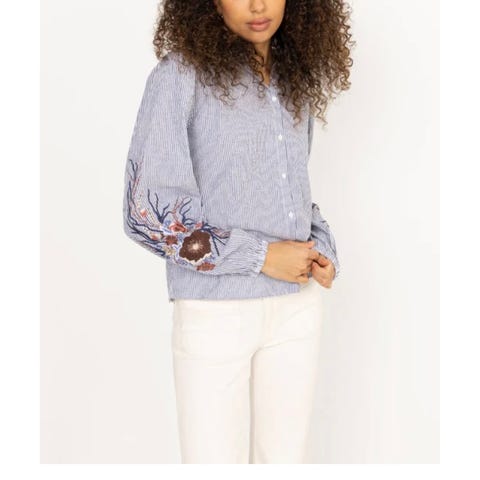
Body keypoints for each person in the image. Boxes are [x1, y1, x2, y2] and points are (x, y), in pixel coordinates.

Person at [123, 0, 354, 464]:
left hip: (296, 308)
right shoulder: (180, 77)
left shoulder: (293, 77)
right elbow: (146, 214)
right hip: (216, 313)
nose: (257, 5)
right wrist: (262, 256)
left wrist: (320, 246)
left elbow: (292, 190)